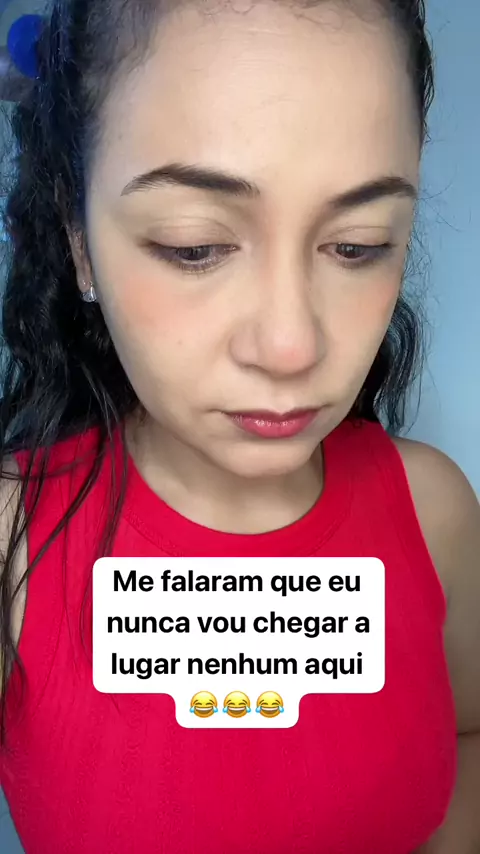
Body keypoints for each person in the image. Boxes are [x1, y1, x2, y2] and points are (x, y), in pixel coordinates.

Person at [0, 0, 479, 852]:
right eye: (194, 246)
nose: (292, 347)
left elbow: (469, 736)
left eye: (359, 244)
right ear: (79, 242)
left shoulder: (435, 510)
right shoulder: (12, 540)